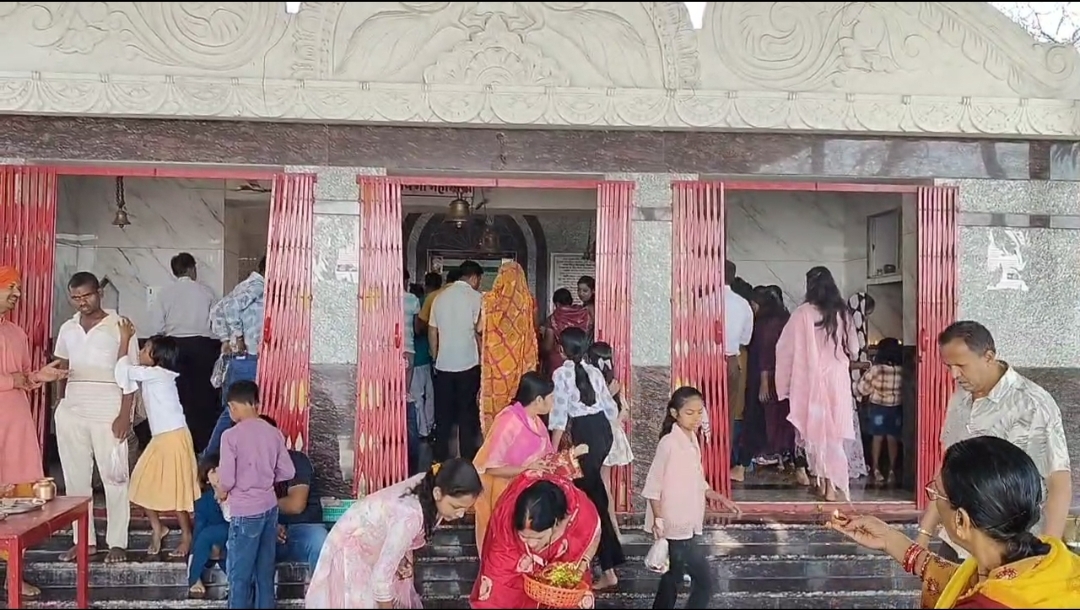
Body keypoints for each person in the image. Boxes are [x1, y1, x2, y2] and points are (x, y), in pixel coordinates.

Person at [829, 436, 1080, 608]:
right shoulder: (1052, 563)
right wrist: (888, 538)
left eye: (936, 493)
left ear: (961, 520)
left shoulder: (988, 603)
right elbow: (961, 582)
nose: (933, 500)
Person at [917, 321, 1071, 562]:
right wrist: (925, 533)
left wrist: (1048, 556)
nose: (954, 375)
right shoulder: (960, 398)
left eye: (961, 365)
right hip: (955, 543)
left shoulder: (1031, 405)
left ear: (988, 356)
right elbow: (947, 472)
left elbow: (1059, 483)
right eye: (949, 366)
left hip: (1008, 550)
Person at [305, 458, 483, 609]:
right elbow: (381, 580)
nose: (460, 514)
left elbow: (393, 534)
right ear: (437, 493)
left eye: (465, 509)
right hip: (352, 552)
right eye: (456, 507)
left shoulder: (431, 483)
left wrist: (400, 557)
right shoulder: (410, 515)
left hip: (371, 545)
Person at [54, 271, 139, 563]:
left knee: (115, 476)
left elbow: (129, 374)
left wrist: (125, 415)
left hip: (109, 409)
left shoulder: (120, 326)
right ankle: (84, 541)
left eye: (87, 296)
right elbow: (62, 367)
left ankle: (118, 542)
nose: (82, 302)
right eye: (75, 298)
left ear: (99, 292)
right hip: (73, 409)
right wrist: (60, 404)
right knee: (75, 479)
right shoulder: (68, 328)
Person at [0, 265, 67, 599]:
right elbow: (15, 378)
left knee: (20, 496)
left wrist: (40, 377)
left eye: (19, 289)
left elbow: (25, 376)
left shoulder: (17, 333)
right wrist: (16, 381)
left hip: (17, 420)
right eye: (10, 287)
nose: (17, 295)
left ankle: (14, 576)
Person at [644, 386, 740, 609]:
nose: (696, 417)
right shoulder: (668, 443)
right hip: (674, 525)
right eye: (690, 412)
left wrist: (720, 498)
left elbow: (698, 480)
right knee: (704, 582)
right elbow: (653, 486)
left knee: (672, 580)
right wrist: (658, 521)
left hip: (688, 522)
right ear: (674, 413)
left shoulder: (692, 439)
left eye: (699, 412)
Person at [472, 372, 586, 555]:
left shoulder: (536, 422)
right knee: (502, 547)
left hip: (525, 495)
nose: (554, 402)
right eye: (551, 398)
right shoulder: (508, 421)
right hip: (501, 494)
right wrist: (526, 469)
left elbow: (546, 460)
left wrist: (570, 457)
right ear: (538, 400)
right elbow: (491, 467)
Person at [115, 322, 201, 558]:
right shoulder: (154, 374)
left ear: (157, 357)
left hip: (173, 438)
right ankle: (158, 527)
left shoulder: (156, 375)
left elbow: (122, 371)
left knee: (178, 492)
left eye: (145, 350)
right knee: (139, 485)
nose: (140, 353)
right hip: (162, 438)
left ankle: (186, 535)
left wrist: (124, 339)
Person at [549, 326, 625, 590]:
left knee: (594, 504)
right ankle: (605, 563)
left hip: (583, 436)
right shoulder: (594, 370)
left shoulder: (561, 374)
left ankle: (608, 569)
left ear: (561, 349)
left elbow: (559, 417)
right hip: (601, 432)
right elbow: (611, 409)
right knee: (597, 499)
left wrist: (551, 453)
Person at [775, 266, 859, 502]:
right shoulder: (842, 313)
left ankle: (824, 484)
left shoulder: (802, 314)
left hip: (811, 381)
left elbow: (784, 349)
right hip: (837, 379)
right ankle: (830, 485)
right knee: (834, 434)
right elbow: (853, 348)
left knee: (816, 431)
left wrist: (786, 384)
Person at [212, 380, 295, 609]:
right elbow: (288, 471)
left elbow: (227, 480)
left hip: (245, 512)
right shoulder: (273, 432)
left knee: (239, 577)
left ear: (233, 406)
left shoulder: (230, 436)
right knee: (264, 574)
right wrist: (264, 478)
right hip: (269, 508)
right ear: (256, 403)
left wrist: (220, 490)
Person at [470, 472, 602, 608]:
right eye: (524, 537)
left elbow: (593, 534)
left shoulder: (580, 513)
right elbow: (497, 577)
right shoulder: (505, 524)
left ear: (556, 523)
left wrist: (582, 564)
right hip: (514, 555)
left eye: (538, 537)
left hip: (565, 561)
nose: (531, 544)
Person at [147, 252, 220, 452]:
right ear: (191, 269)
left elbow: (157, 326)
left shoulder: (165, 293)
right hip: (204, 348)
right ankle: (202, 447)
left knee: (176, 397)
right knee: (203, 399)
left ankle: (178, 446)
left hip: (174, 349)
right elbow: (217, 324)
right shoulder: (207, 292)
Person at [204, 255, 267, 459]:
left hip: (243, 359)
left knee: (234, 410)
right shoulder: (258, 285)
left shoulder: (248, 285)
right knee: (236, 409)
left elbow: (216, 311)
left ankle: (216, 458)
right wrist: (237, 337)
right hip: (247, 358)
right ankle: (210, 458)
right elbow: (229, 308)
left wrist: (226, 338)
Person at [736, 286, 799, 481]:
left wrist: (763, 381)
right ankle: (799, 468)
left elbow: (765, 353)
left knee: (758, 419)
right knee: (785, 423)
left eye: (754, 304)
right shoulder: (786, 320)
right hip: (785, 380)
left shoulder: (766, 324)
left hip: (765, 380)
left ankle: (742, 466)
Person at [258, 415, 329, 576]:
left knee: (320, 540)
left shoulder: (296, 460)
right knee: (238, 543)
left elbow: (296, 505)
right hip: (265, 530)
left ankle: (318, 597)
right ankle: (250, 598)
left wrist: (262, 505)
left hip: (302, 528)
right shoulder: (247, 465)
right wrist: (268, 525)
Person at [429, 261, 484, 461]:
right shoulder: (477, 298)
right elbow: (480, 330)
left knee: (443, 415)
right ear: (474, 277)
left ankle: (441, 458)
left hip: (443, 365)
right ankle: (468, 458)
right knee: (467, 414)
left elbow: (432, 330)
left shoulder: (439, 297)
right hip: (468, 363)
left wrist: (435, 357)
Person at [479, 261, 538, 432]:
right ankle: (518, 437)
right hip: (520, 363)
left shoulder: (491, 301)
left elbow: (479, 328)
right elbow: (534, 328)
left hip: (497, 364)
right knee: (519, 400)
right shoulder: (528, 299)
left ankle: (497, 441)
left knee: (498, 403)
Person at [586, 341, 632, 535]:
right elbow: (625, 412)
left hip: (597, 435)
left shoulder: (590, 382)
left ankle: (606, 528)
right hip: (614, 436)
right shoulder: (615, 383)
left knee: (598, 484)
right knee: (605, 484)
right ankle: (612, 529)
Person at [855, 337, 904, 485]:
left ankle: (875, 469)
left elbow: (862, 389)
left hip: (878, 407)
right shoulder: (902, 370)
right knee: (892, 438)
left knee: (877, 437)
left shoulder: (876, 370)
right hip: (896, 407)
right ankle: (892, 471)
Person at [410, 271, 442, 462]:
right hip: (431, 355)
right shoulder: (437, 299)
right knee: (430, 394)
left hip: (417, 355)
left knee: (417, 396)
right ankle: (430, 426)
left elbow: (418, 328)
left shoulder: (420, 302)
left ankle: (423, 430)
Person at [187, 453, 229, 598]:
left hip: (237, 533)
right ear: (207, 477)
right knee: (204, 535)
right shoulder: (203, 501)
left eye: (220, 469)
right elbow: (198, 530)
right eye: (212, 471)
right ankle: (194, 578)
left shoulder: (237, 491)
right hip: (214, 544)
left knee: (210, 535)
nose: (217, 475)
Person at [542, 287, 592, 377]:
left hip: (560, 362)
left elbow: (547, 347)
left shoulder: (553, 318)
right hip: (583, 358)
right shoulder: (584, 314)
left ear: (557, 304)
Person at [403, 270, 423, 472]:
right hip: (407, 350)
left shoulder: (383, 299)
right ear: (406, 280)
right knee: (405, 397)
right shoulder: (412, 299)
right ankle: (411, 460)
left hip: (384, 353)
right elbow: (418, 329)